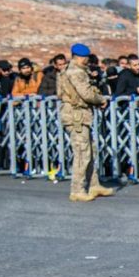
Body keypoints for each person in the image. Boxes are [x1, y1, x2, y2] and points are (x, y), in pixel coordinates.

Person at [57, 43, 112, 202]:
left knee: (90, 150)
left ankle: (94, 185)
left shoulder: (71, 70)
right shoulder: (76, 72)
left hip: (79, 114)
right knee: (82, 153)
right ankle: (77, 189)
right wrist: (100, 99)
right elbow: (86, 93)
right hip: (76, 115)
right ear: (81, 57)